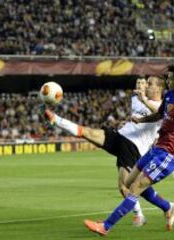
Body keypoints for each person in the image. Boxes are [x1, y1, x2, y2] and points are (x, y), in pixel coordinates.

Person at [83, 64, 174, 236]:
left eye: (170, 78)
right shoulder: (170, 95)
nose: (167, 81)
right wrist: (141, 120)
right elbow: (160, 115)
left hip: (169, 155)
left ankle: (106, 226)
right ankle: (168, 207)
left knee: (136, 186)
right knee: (127, 183)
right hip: (156, 149)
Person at [43, 76, 165, 227]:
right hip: (121, 136)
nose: (146, 86)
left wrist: (144, 99)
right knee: (89, 133)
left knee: (124, 187)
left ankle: (141, 215)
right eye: (145, 83)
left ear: (159, 89)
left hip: (133, 147)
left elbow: (161, 113)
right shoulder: (136, 97)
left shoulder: (161, 105)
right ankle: (56, 119)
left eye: (150, 84)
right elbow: (136, 114)